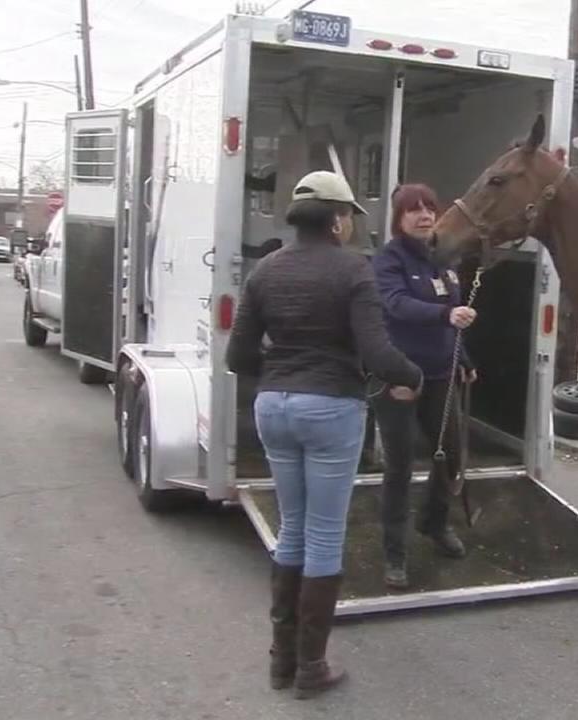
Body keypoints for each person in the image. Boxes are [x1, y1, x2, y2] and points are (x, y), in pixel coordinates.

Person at [227, 170, 423, 699]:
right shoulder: (353, 271)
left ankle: (281, 662)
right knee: (323, 535)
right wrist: (413, 376)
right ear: (338, 220)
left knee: (292, 528)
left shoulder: (265, 270)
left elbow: (237, 357)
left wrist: (283, 365)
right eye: (351, 217)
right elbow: (378, 353)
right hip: (330, 407)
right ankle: (311, 667)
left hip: (274, 406)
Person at [372, 183, 478, 590]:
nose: (424, 216)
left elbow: (455, 319)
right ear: (399, 219)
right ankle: (394, 555)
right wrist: (446, 314)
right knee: (400, 467)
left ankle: (434, 524)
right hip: (398, 377)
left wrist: (464, 358)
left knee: (449, 455)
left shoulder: (443, 259)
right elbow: (395, 303)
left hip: (440, 376)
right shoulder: (388, 260)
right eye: (413, 210)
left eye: (429, 209)